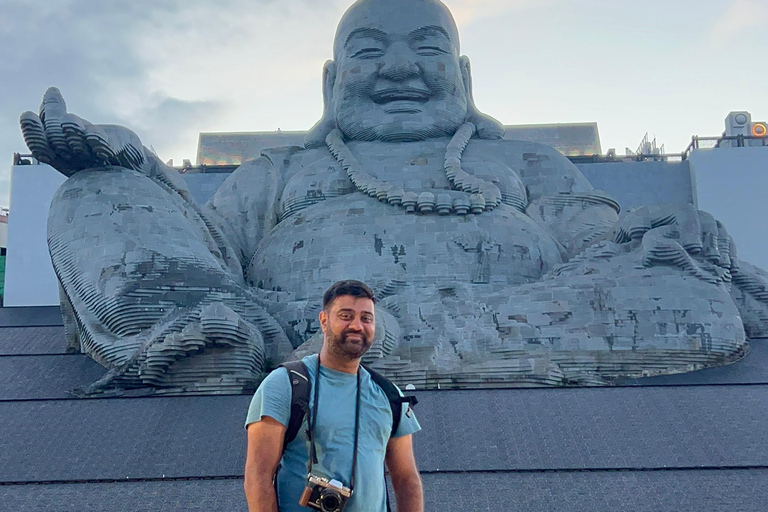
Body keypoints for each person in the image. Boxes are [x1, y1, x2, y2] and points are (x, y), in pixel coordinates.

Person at [19, 0, 765, 392]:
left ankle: (364, 341)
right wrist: (137, 175)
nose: (399, 67)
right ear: (330, 80)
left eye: (427, 48)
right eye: (370, 50)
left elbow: (600, 237)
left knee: (681, 276)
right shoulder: (281, 172)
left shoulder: (524, 162)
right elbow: (205, 252)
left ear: (465, 79)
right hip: (270, 318)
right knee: (92, 196)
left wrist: (664, 228)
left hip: (528, 315)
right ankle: (216, 348)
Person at [244, 280, 423, 512]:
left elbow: (407, 479)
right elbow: (258, 477)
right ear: (324, 321)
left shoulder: (389, 395)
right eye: (346, 316)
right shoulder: (285, 384)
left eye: (366, 318)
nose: (357, 326)